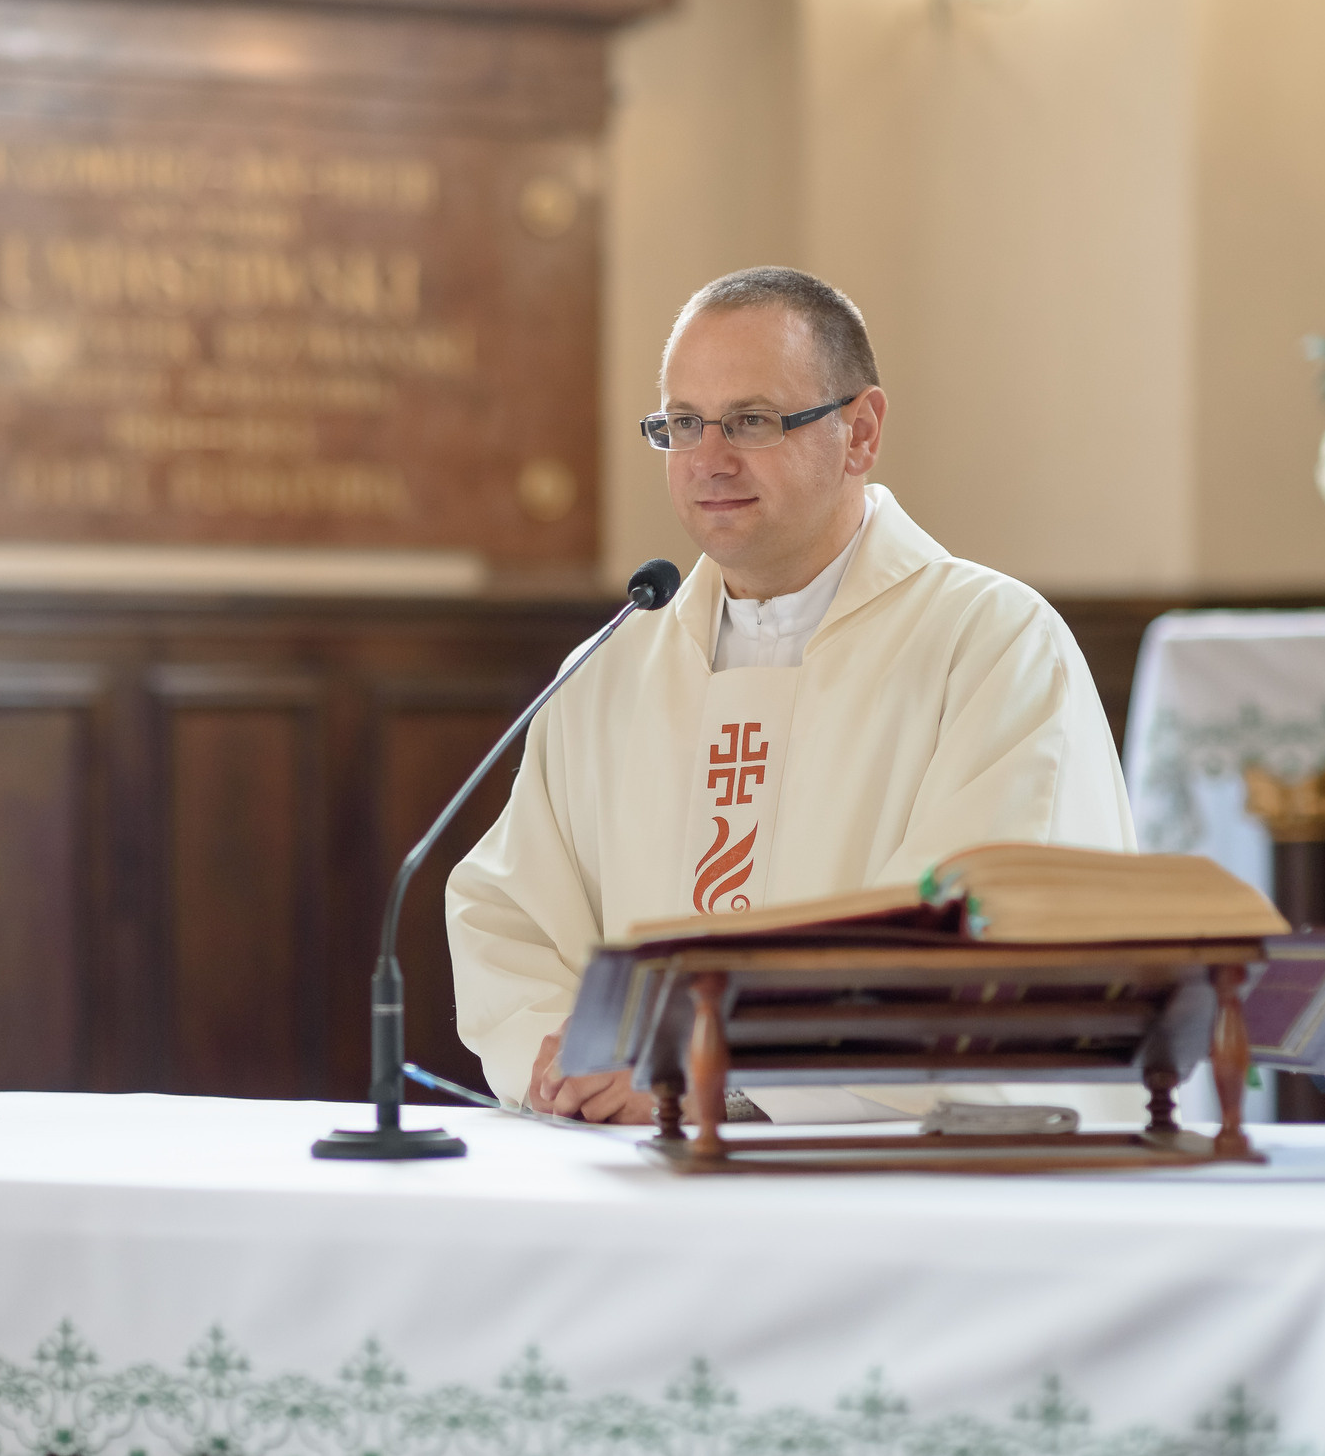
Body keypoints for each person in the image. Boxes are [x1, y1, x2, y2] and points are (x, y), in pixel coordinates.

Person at [445, 267, 1138, 1124]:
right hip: (638, 1180)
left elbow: (983, 935)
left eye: (752, 420)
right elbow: (508, 917)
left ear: (861, 431)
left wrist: (714, 1071)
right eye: (684, 424)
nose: (709, 459)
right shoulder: (613, 668)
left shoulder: (988, 644)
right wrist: (574, 1058)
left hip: (892, 1190)